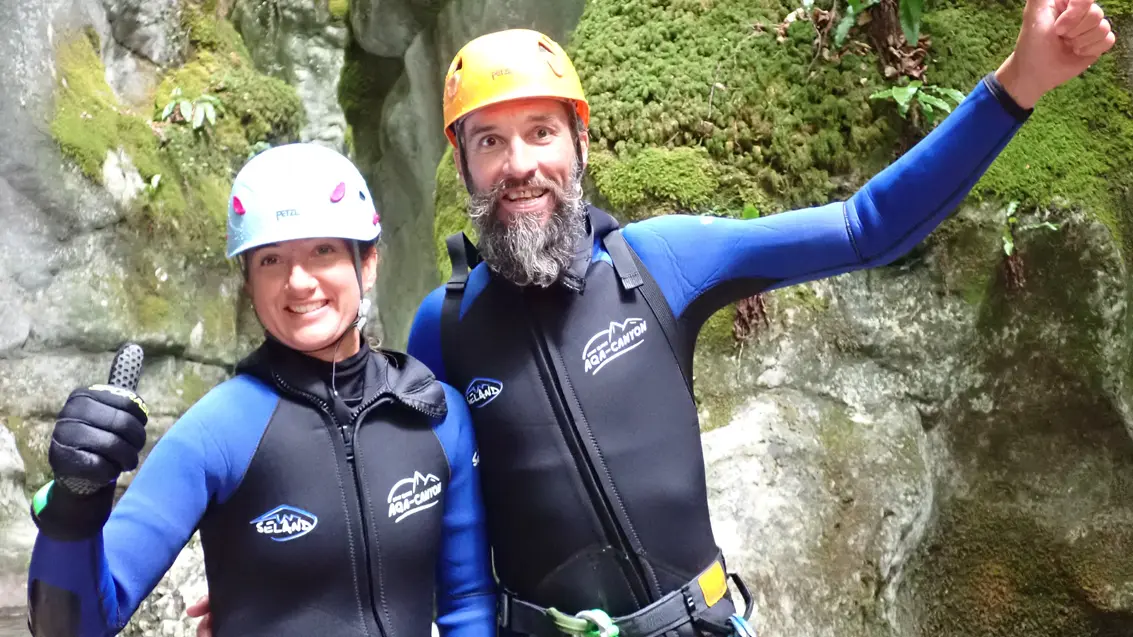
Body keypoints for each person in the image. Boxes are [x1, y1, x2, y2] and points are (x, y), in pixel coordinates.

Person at [192, 0, 1117, 634]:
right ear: (463, 167)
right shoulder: (444, 329)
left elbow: (864, 227)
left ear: (579, 142)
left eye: (540, 133)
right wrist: (277, 584)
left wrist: (1016, 84)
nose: (518, 163)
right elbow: (391, 479)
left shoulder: (660, 260)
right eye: (489, 141)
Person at [24, 142, 496, 637]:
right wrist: (74, 507)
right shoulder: (219, 430)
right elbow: (73, 628)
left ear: (369, 263)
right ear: (248, 282)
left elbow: (467, 604)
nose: (298, 282)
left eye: (323, 250)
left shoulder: (437, 417)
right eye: (271, 260)